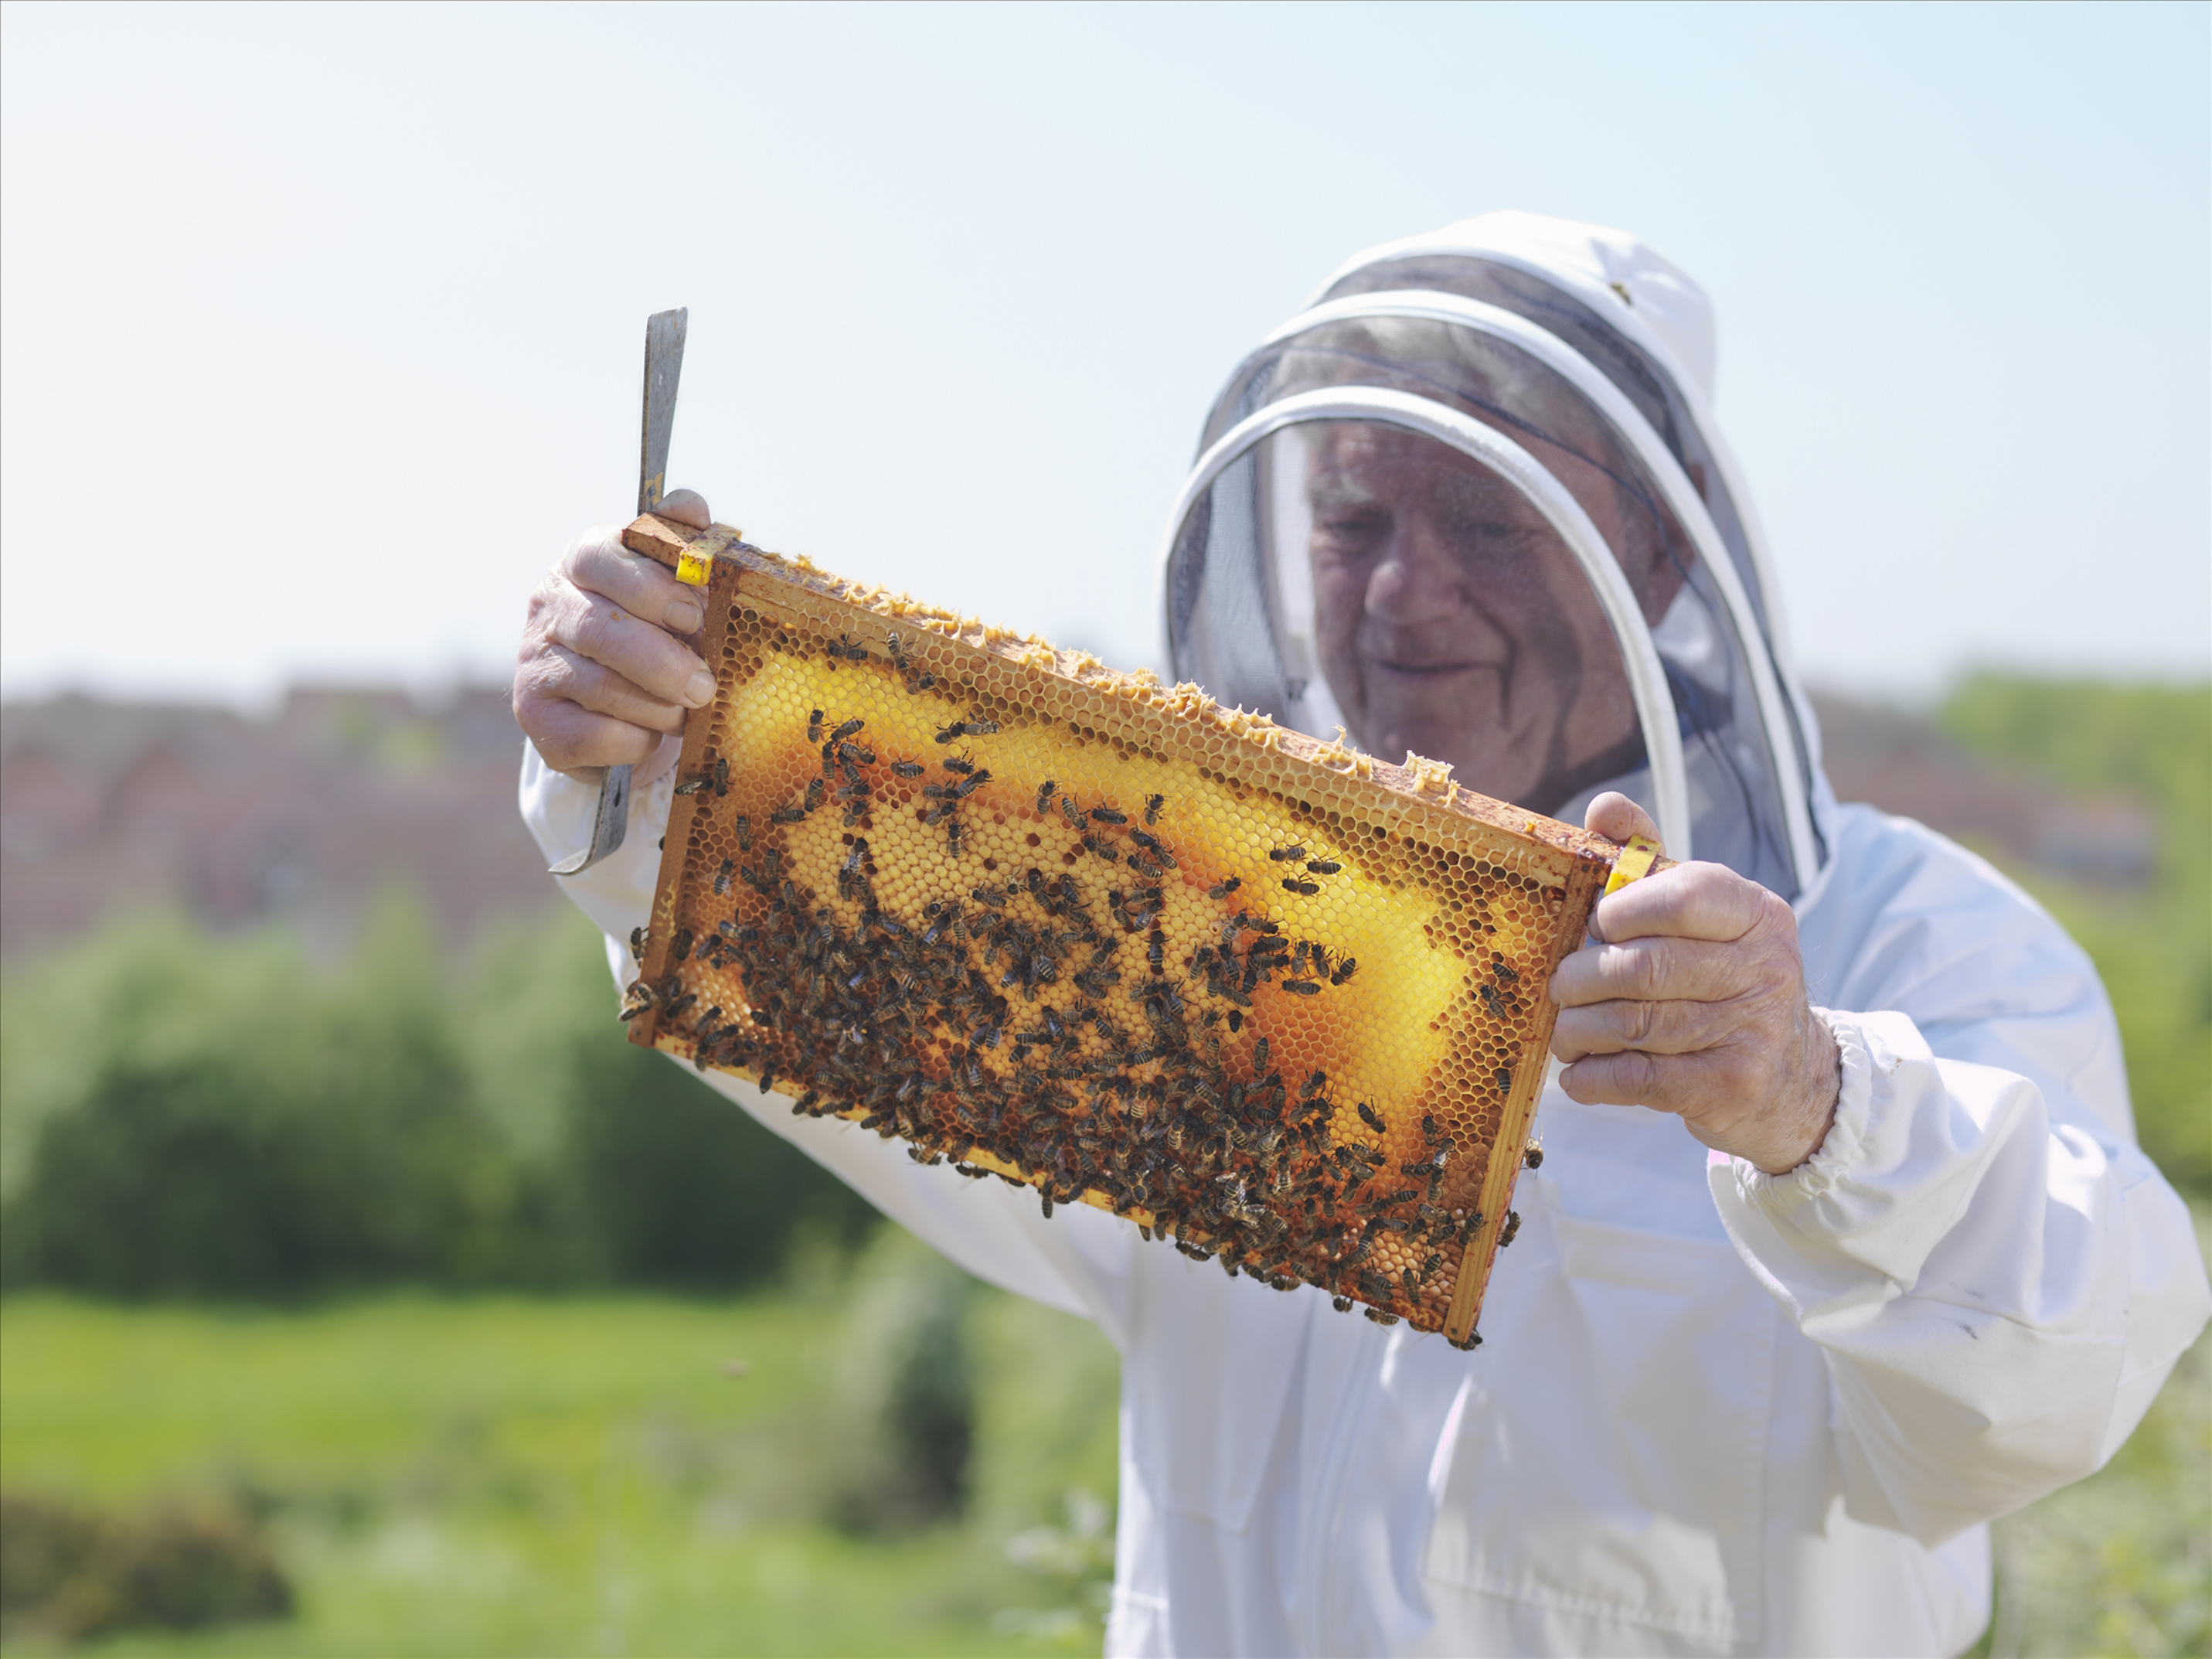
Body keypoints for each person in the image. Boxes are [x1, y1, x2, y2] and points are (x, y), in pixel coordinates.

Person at [513, 212, 2209, 1657]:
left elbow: (2060, 1378)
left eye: (1488, 520)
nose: (1405, 594)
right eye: (1353, 520)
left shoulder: (1921, 944)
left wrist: (1821, 1106)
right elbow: (859, 992)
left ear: (1671, 549)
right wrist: (657, 760)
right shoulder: (1215, 929)